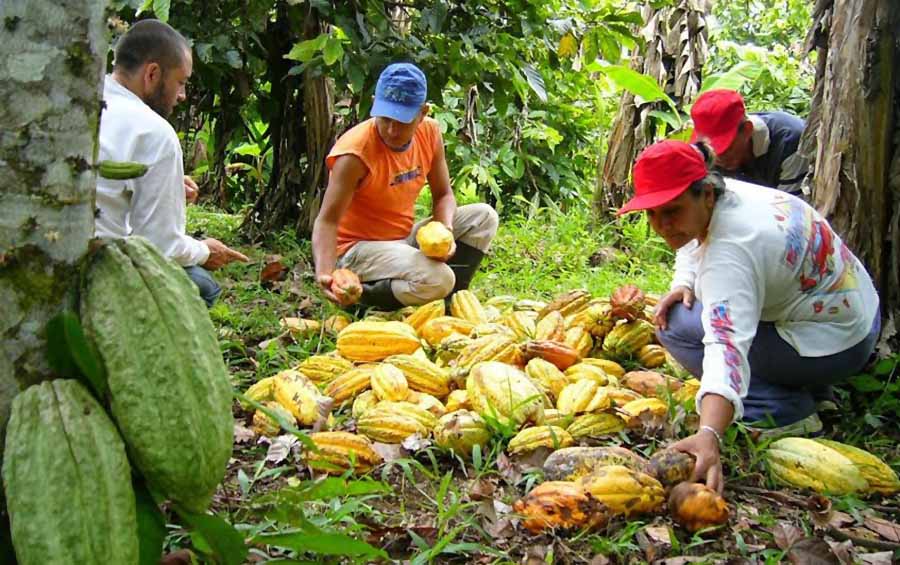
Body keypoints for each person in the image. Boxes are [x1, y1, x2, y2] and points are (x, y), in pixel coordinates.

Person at [618, 140, 880, 493]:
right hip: (856, 315)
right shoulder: (730, 194)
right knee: (687, 307)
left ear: (705, 195)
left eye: (672, 211)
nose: (662, 225)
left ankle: (784, 410)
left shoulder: (732, 253)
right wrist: (684, 281)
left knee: (677, 327)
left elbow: (726, 347)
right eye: (652, 213)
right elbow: (692, 243)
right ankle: (814, 388)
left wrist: (708, 434)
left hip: (838, 346)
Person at [313, 63, 499, 309]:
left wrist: (444, 230)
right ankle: (363, 299)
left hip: (401, 239)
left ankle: (448, 301)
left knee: (484, 217)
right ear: (374, 104)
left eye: (402, 121)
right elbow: (327, 220)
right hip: (357, 250)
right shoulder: (355, 154)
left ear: (423, 112)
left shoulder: (430, 132)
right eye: (386, 118)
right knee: (440, 278)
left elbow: (444, 195)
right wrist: (326, 273)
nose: (391, 130)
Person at [96, 19, 247, 307]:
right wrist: (205, 251)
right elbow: (160, 247)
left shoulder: (81, 100)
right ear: (152, 73)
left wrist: (169, 182)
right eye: (181, 82)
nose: (183, 95)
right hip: (100, 272)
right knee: (203, 285)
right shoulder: (155, 131)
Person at [690, 89, 809, 196]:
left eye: (726, 148)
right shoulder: (707, 154)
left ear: (747, 130)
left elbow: (790, 210)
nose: (718, 158)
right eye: (713, 150)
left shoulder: (790, 142)